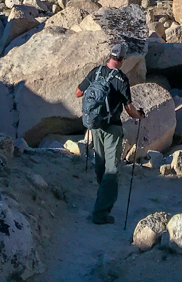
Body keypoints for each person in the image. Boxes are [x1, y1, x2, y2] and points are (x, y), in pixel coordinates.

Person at [75, 39, 141, 224]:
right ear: (122, 59)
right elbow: (130, 110)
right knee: (112, 169)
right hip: (112, 128)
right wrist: (140, 115)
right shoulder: (122, 79)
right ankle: (100, 213)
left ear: (110, 56)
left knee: (101, 165)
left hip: (95, 125)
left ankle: (101, 196)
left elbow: (78, 93)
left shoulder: (96, 72)